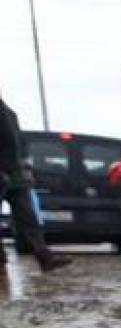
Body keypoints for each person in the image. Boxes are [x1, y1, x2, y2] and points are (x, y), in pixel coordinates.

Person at [0, 94, 71, 273]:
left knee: (27, 217)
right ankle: (44, 256)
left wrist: (7, 168)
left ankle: (44, 257)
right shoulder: (8, 110)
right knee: (27, 217)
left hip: (7, 170)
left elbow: (10, 138)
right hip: (14, 172)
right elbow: (18, 141)